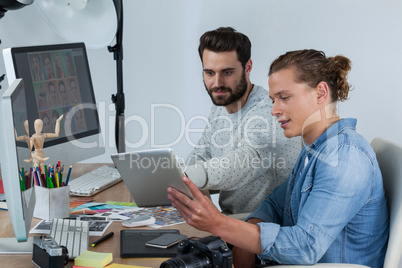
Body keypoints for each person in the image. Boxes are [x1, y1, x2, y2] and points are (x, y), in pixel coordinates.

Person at [167, 49, 389, 267]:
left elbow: (305, 247)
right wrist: (245, 237)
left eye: (284, 98)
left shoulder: (344, 157)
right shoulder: (313, 149)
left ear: (320, 93)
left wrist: (220, 224)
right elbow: (276, 203)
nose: (274, 110)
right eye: (274, 100)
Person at [185, 27, 301, 214]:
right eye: (209, 73)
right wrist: (180, 180)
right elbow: (201, 155)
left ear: (247, 68)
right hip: (232, 224)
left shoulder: (269, 110)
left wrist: (186, 177)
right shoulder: (220, 108)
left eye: (227, 72)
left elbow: (247, 161)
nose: (217, 83)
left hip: (264, 228)